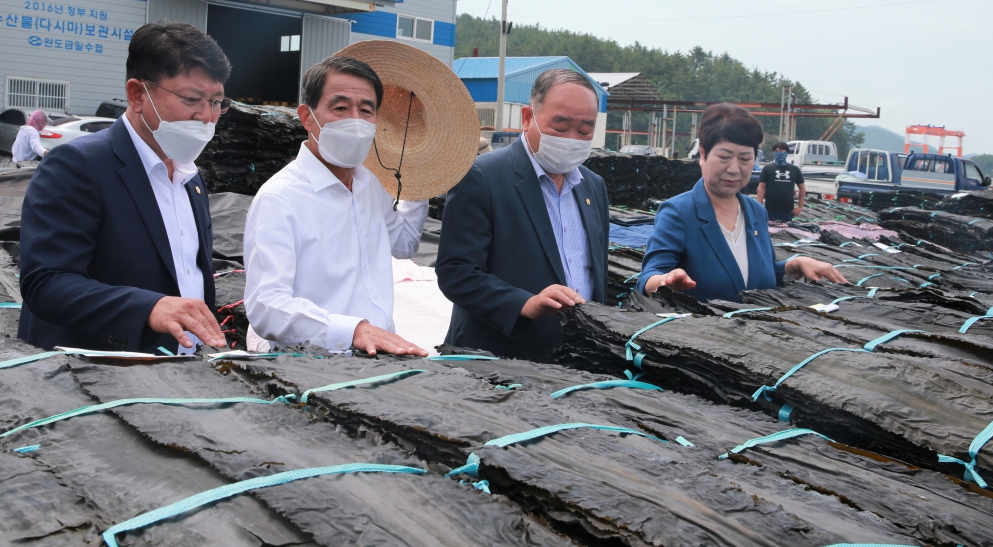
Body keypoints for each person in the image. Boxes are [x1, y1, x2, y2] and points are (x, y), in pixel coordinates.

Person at [19, 21, 231, 354]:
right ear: (137, 95)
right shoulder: (78, 166)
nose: (207, 117)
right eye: (192, 99)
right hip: (101, 379)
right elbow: (46, 284)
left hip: (182, 375)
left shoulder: (192, 179)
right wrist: (149, 307)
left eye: (217, 102)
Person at [242, 56, 430, 356]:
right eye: (340, 108)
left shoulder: (371, 186)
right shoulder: (281, 199)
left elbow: (403, 245)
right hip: (312, 364)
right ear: (307, 117)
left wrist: (421, 182)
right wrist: (352, 330)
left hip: (379, 355)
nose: (354, 120)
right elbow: (267, 306)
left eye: (366, 110)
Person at [437, 69, 609, 362]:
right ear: (528, 117)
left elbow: (594, 272)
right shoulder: (483, 177)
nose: (572, 138)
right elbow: (457, 272)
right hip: (500, 357)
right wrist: (524, 303)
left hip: (575, 359)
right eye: (560, 125)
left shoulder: (593, 186)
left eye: (584, 130)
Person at [638, 105, 845, 303]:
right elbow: (648, 278)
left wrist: (795, 264)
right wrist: (666, 282)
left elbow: (757, 274)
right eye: (724, 157)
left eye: (745, 159)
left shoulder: (757, 212)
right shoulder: (678, 212)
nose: (734, 169)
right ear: (703, 154)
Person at [757, 141, 805, 222]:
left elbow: (802, 188)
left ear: (787, 153)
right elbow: (761, 187)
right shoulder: (767, 168)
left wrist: (800, 207)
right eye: (776, 151)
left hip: (788, 211)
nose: (779, 153)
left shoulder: (794, 169)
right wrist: (759, 205)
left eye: (782, 151)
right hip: (770, 210)